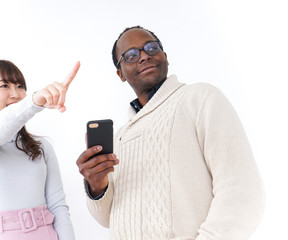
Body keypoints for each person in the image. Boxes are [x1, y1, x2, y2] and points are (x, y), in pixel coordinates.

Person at [76, 26, 264, 240]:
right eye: (131, 55)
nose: (144, 56)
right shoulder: (119, 136)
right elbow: (108, 219)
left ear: (165, 57)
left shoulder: (200, 98)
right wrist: (97, 186)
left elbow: (242, 192)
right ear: (120, 73)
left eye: (151, 48)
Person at [0, 60, 80, 240]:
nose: (16, 94)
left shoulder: (40, 147)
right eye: (4, 85)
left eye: (20, 86)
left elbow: (58, 206)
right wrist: (34, 102)